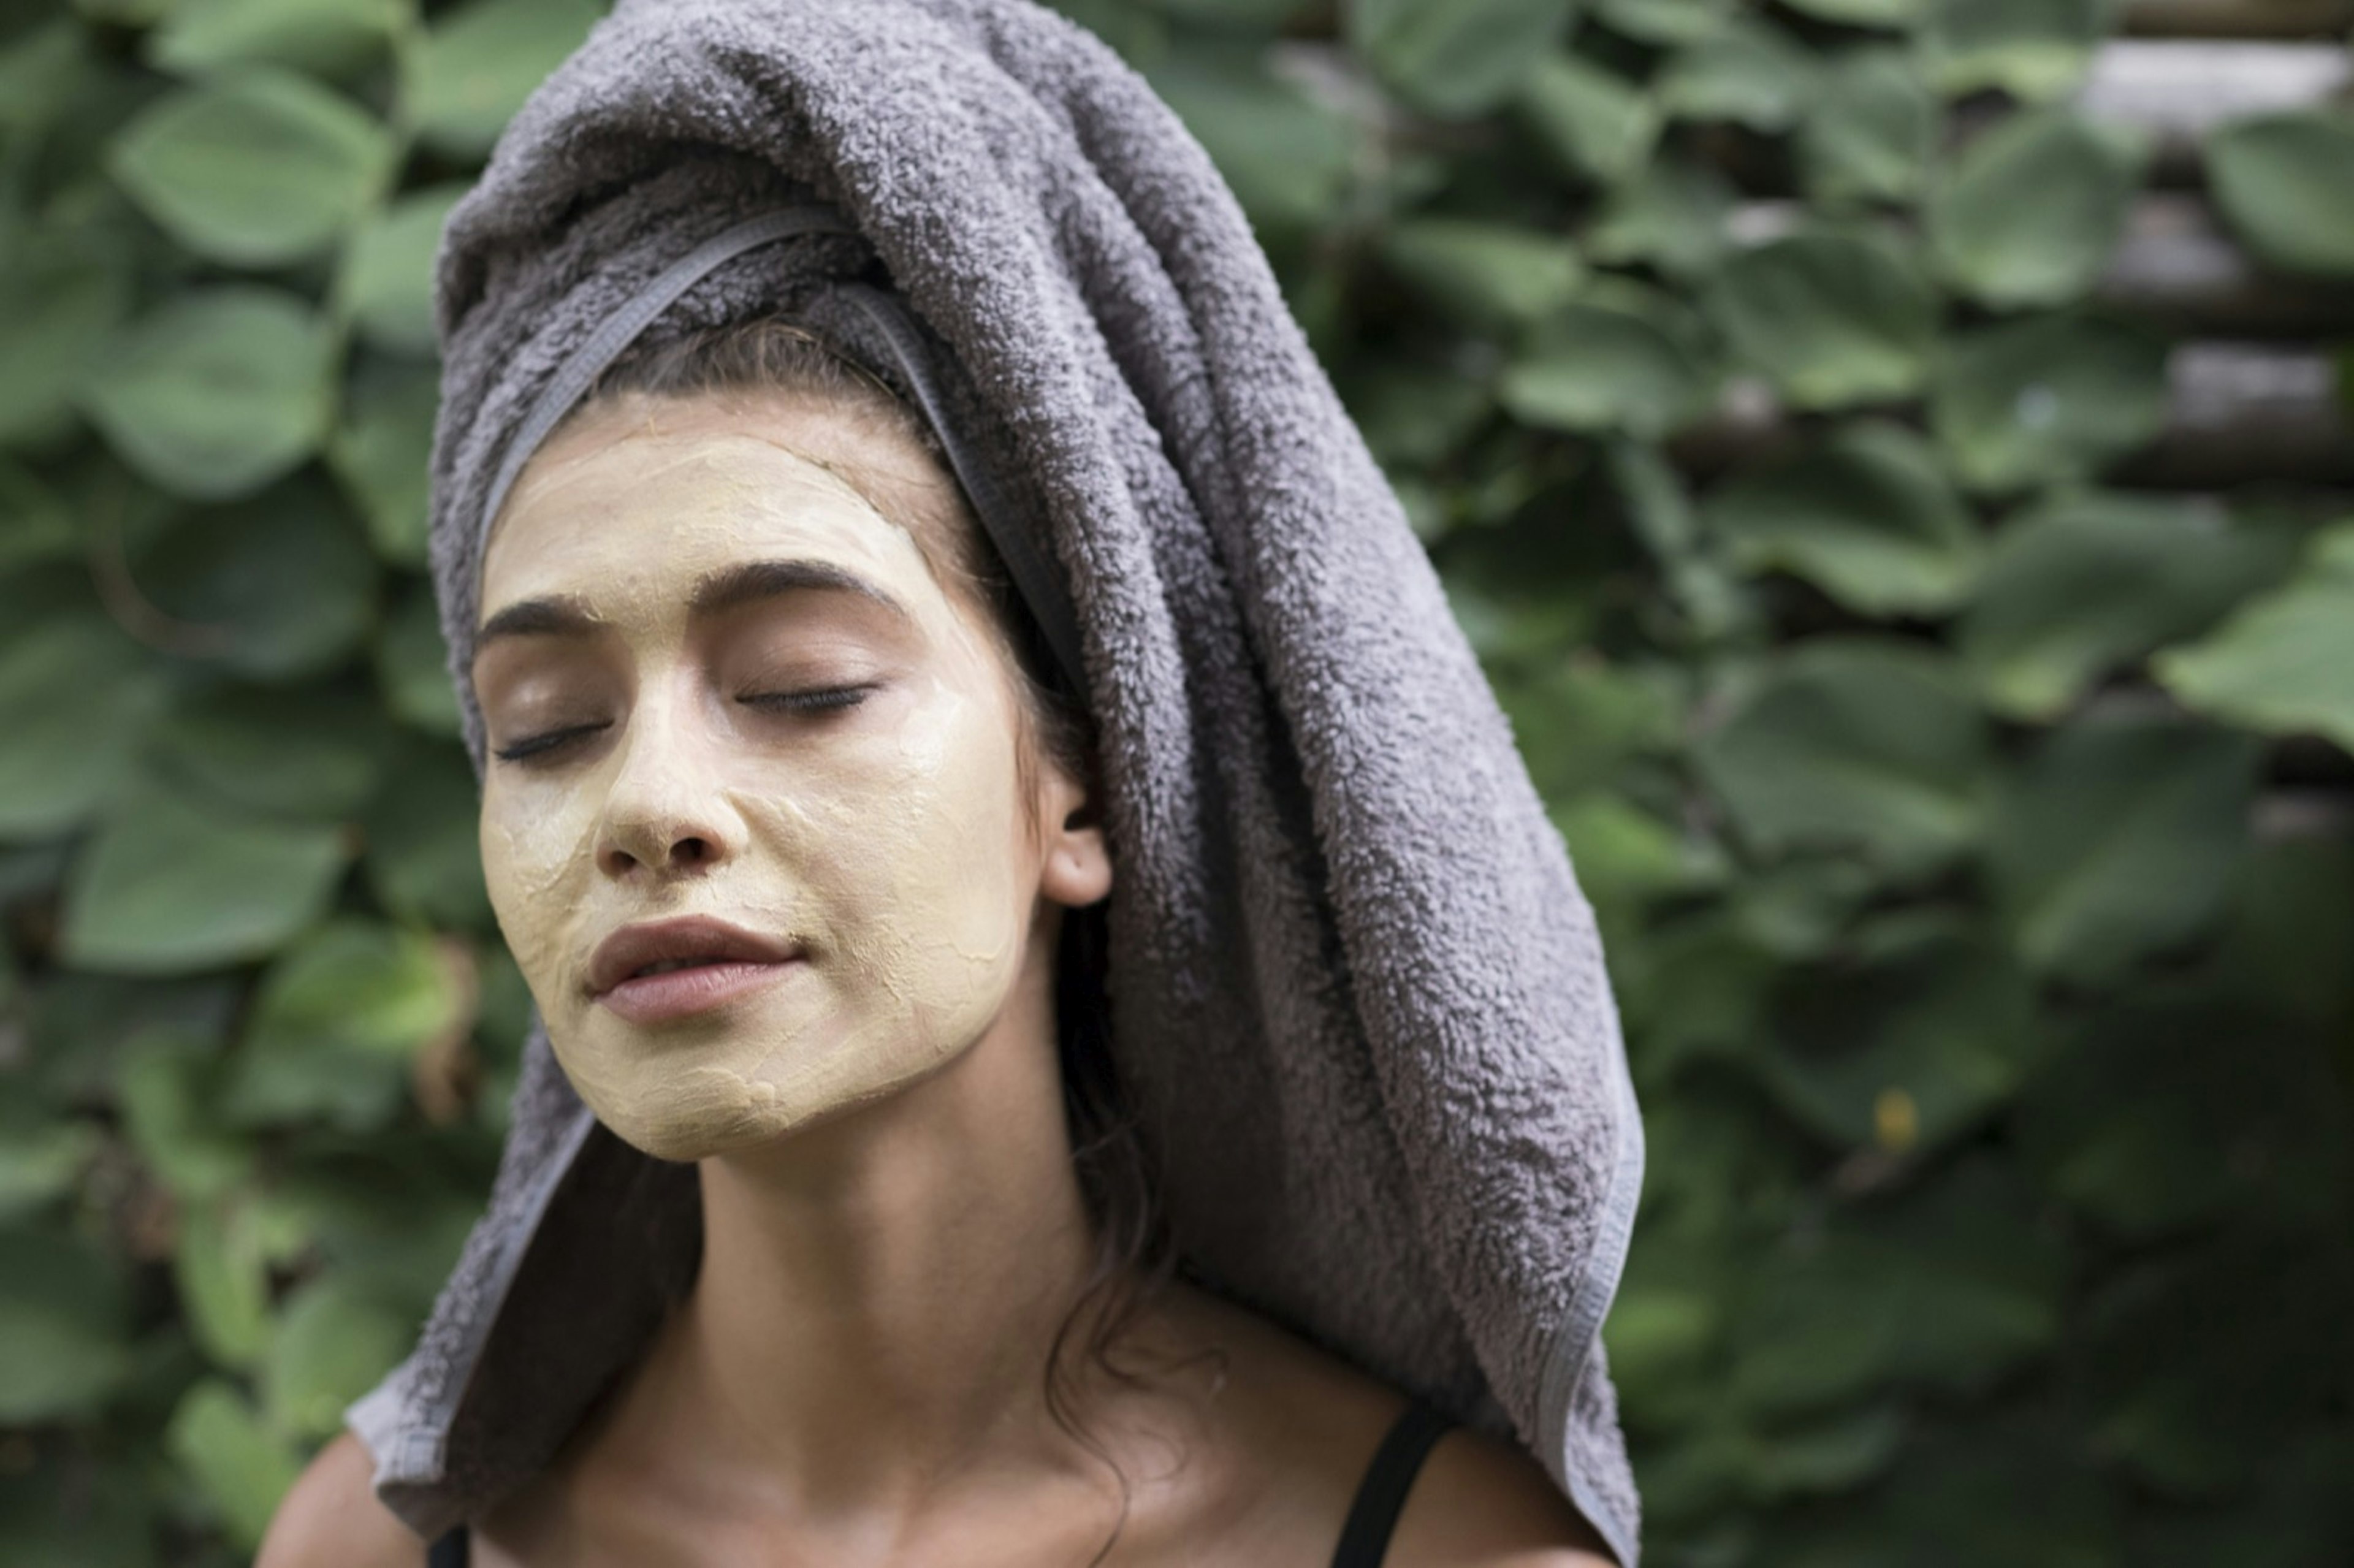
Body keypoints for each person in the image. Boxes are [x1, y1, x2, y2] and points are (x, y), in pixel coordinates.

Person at [256, 2, 1644, 1563]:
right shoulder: (370, 1546)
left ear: (1081, 785)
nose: (650, 803)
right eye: (548, 727)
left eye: (803, 687)